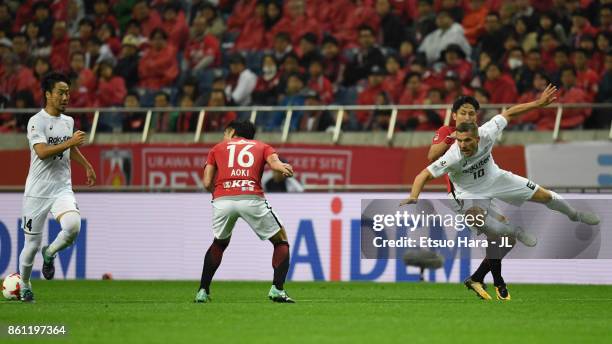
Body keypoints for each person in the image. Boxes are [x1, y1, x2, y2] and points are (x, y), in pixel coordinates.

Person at [401, 85, 600, 300]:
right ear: (454, 115)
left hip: (495, 179)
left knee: (539, 200)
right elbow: (428, 164)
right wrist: (414, 196)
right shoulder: (450, 145)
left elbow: (509, 112)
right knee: (498, 234)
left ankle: (574, 215)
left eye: (471, 113)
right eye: (463, 112)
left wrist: (537, 103)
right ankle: (498, 280)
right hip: (467, 195)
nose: (467, 116)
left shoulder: (486, 131)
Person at [196, 120, 295, 303]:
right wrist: (282, 167)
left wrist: (219, 194)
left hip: (222, 200)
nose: (224, 138)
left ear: (232, 132)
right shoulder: (263, 147)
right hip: (251, 197)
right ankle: (277, 289)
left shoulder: (217, 149)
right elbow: (274, 163)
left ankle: (203, 291)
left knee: (219, 243)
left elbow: (207, 182)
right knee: (281, 240)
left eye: (225, 133)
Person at [19, 72, 96, 302]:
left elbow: (70, 149)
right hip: (37, 192)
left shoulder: (68, 121)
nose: (66, 97)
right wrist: (70, 141)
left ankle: (50, 253)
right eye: (61, 92)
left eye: (68, 92)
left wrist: (87, 165)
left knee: (73, 226)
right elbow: (41, 153)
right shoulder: (36, 121)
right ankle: (24, 284)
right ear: (48, 95)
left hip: (62, 187)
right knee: (31, 245)